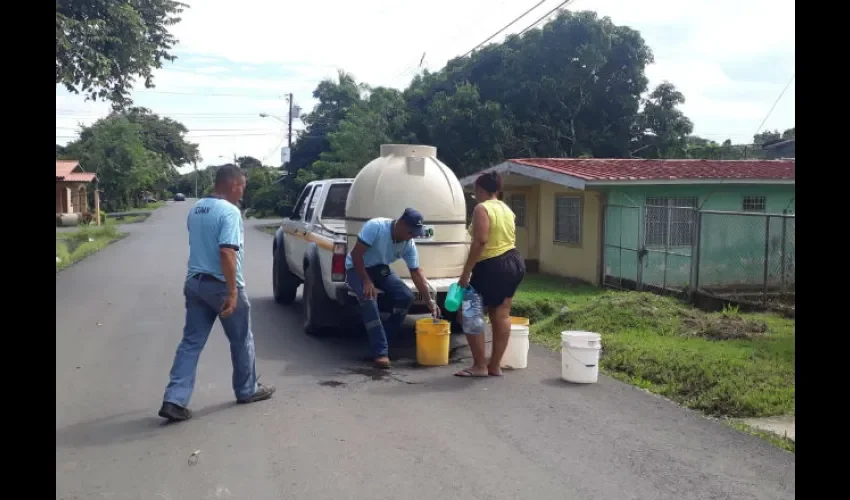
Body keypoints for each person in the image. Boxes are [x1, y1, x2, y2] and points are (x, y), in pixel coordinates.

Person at [158, 164, 275, 422]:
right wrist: (232, 292)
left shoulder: (197, 208)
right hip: (221, 285)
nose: (243, 191)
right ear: (234, 184)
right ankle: (247, 390)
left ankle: (174, 399)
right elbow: (226, 252)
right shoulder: (230, 212)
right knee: (242, 338)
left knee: (191, 342)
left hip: (195, 283)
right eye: (243, 186)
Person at [346, 208, 440, 368]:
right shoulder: (375, 227)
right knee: (369, 298)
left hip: (380, 268)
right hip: (357, 267)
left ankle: (383, 338)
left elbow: (416, 272)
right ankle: (381, 353)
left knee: (406, 296)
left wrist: (429, 300)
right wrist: (367, 281)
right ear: (401, 224)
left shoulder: (408, 243)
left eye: (415, 234)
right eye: (411, 232)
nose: (412, 237)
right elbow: (356, 255)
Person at [455, 172, 526, 377]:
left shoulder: (481, 208)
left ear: (480, 190)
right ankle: (494, 366)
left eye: (476, 190)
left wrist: (466, 272)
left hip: (492, 264)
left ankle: (479, 366)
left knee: (469, 312)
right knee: (501, 313)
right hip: (514, 262)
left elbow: (481, 241)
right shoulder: (507, 209)